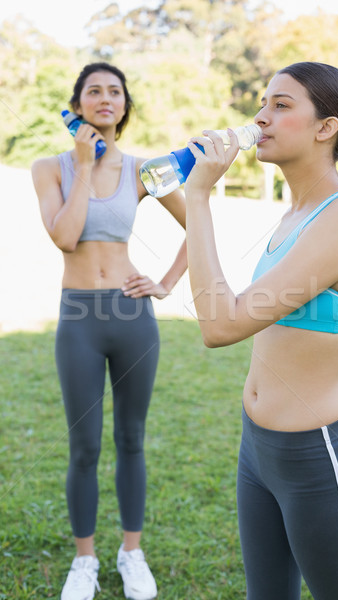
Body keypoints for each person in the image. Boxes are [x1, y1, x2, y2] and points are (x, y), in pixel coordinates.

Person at [183, 62, 338, 600]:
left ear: (326, 127)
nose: (260, 117)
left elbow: (220, 325)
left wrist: (199, 198)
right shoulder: (295, 213)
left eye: (281, 105)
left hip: (316, 459)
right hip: (258, 451)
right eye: (262, 104)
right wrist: (188, 196)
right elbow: (227, 303)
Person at [31, 62, 187, 600]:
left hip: (131, 317)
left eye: (114, 91)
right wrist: (81, 162)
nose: (104, 98)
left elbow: (200, 226)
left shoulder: (147, 170)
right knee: (83, 447)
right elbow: (65, 237)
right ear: (77, 105)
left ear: (125, 106)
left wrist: (166, 283)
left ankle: (132, 552)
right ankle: (84, 560)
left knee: (131, 439)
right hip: (78, 316)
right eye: (92, 90)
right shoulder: (48, 168)